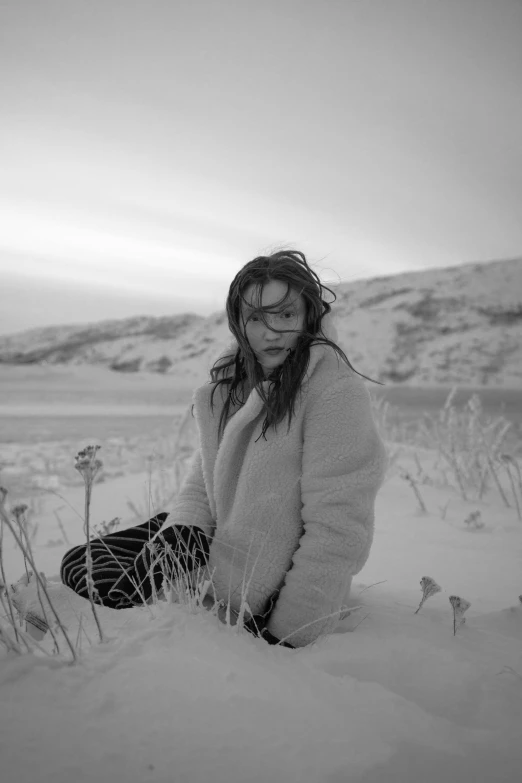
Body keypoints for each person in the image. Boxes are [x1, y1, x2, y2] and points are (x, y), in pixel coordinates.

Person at [60, 250, 387, 648]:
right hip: (215, 542)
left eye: (285, 314)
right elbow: (201, 484)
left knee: (111, 586)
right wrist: (180, 535)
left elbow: (339, 526)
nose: (271, 332)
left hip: (265, 583)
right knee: (81, 565)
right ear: (239, 323)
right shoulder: (229, 390)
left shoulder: (333, 392)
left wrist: (290, 631)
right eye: (255, 317)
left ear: (308, 317)